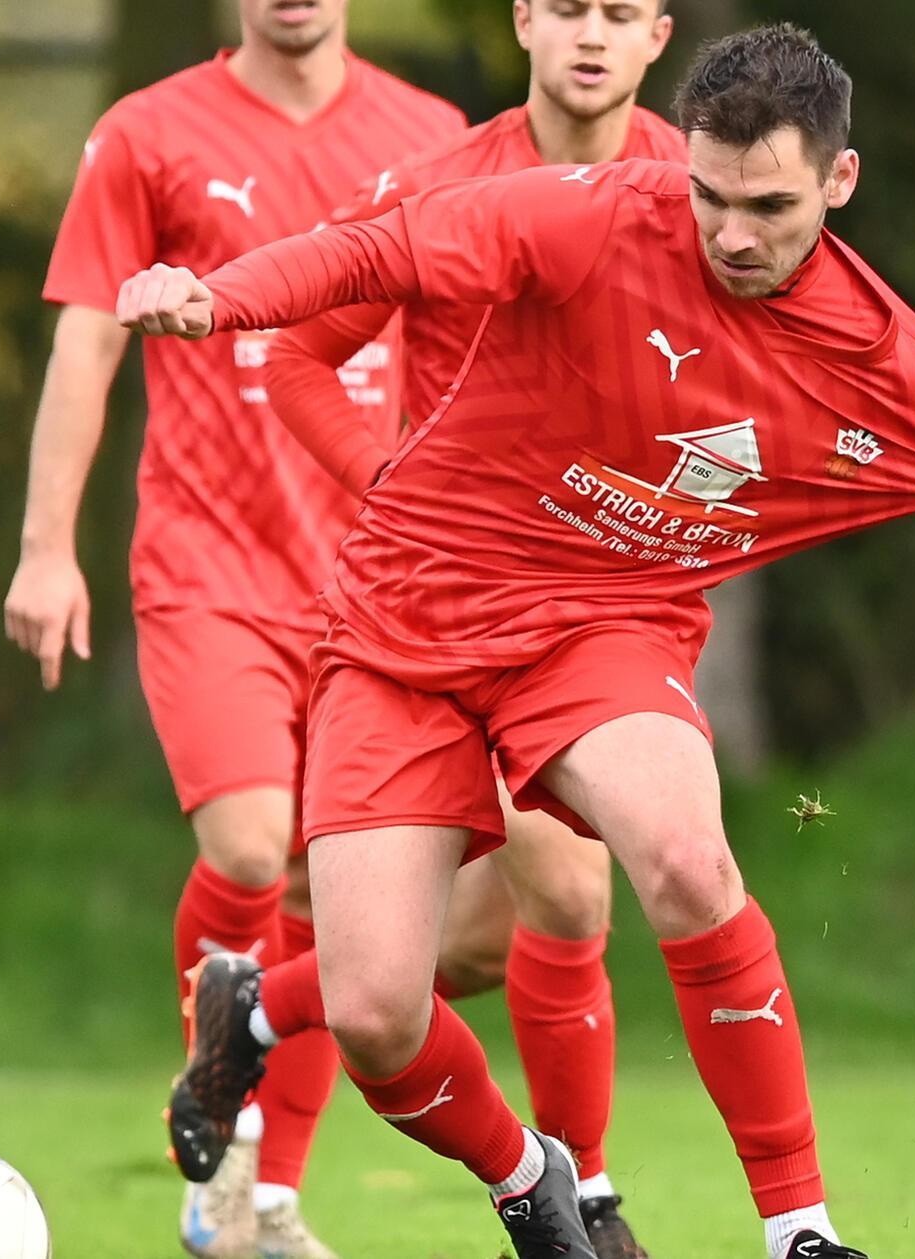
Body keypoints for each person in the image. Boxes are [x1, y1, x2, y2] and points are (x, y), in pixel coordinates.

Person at [119, 24, 915, 1259]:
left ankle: (799, 1229)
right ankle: (524, 1173)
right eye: (709, 196)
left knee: (683, 858)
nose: (731, 234)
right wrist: (217, 297)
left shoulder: (882, 361)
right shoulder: (584, 214)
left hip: (602, 627)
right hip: (404, 619)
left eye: (768, 205)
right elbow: (376, 249)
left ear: (837, 185)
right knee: (377, 1011)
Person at [180, 4, 685, 1255]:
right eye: (566, 5)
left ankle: (256, 1010)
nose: (589, 34)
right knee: (548, 897)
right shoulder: (442, 183)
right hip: (445, 617)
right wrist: (392, 481)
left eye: (619, 11)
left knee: (481, 939)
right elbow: (300, 363)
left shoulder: (698, 185)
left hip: (601, 607)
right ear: (523, 17)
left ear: (659, 33)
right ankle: (582, 1194)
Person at [0, 2, 463, 1254]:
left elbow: (477, 347)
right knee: (256, 848)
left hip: (376, 580)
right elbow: (86, 337)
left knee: (343, 895)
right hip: (208, 563)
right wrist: (47, 549)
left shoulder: (430, 138)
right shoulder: (147, 134)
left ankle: (256, 1199)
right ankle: (230, 1105)